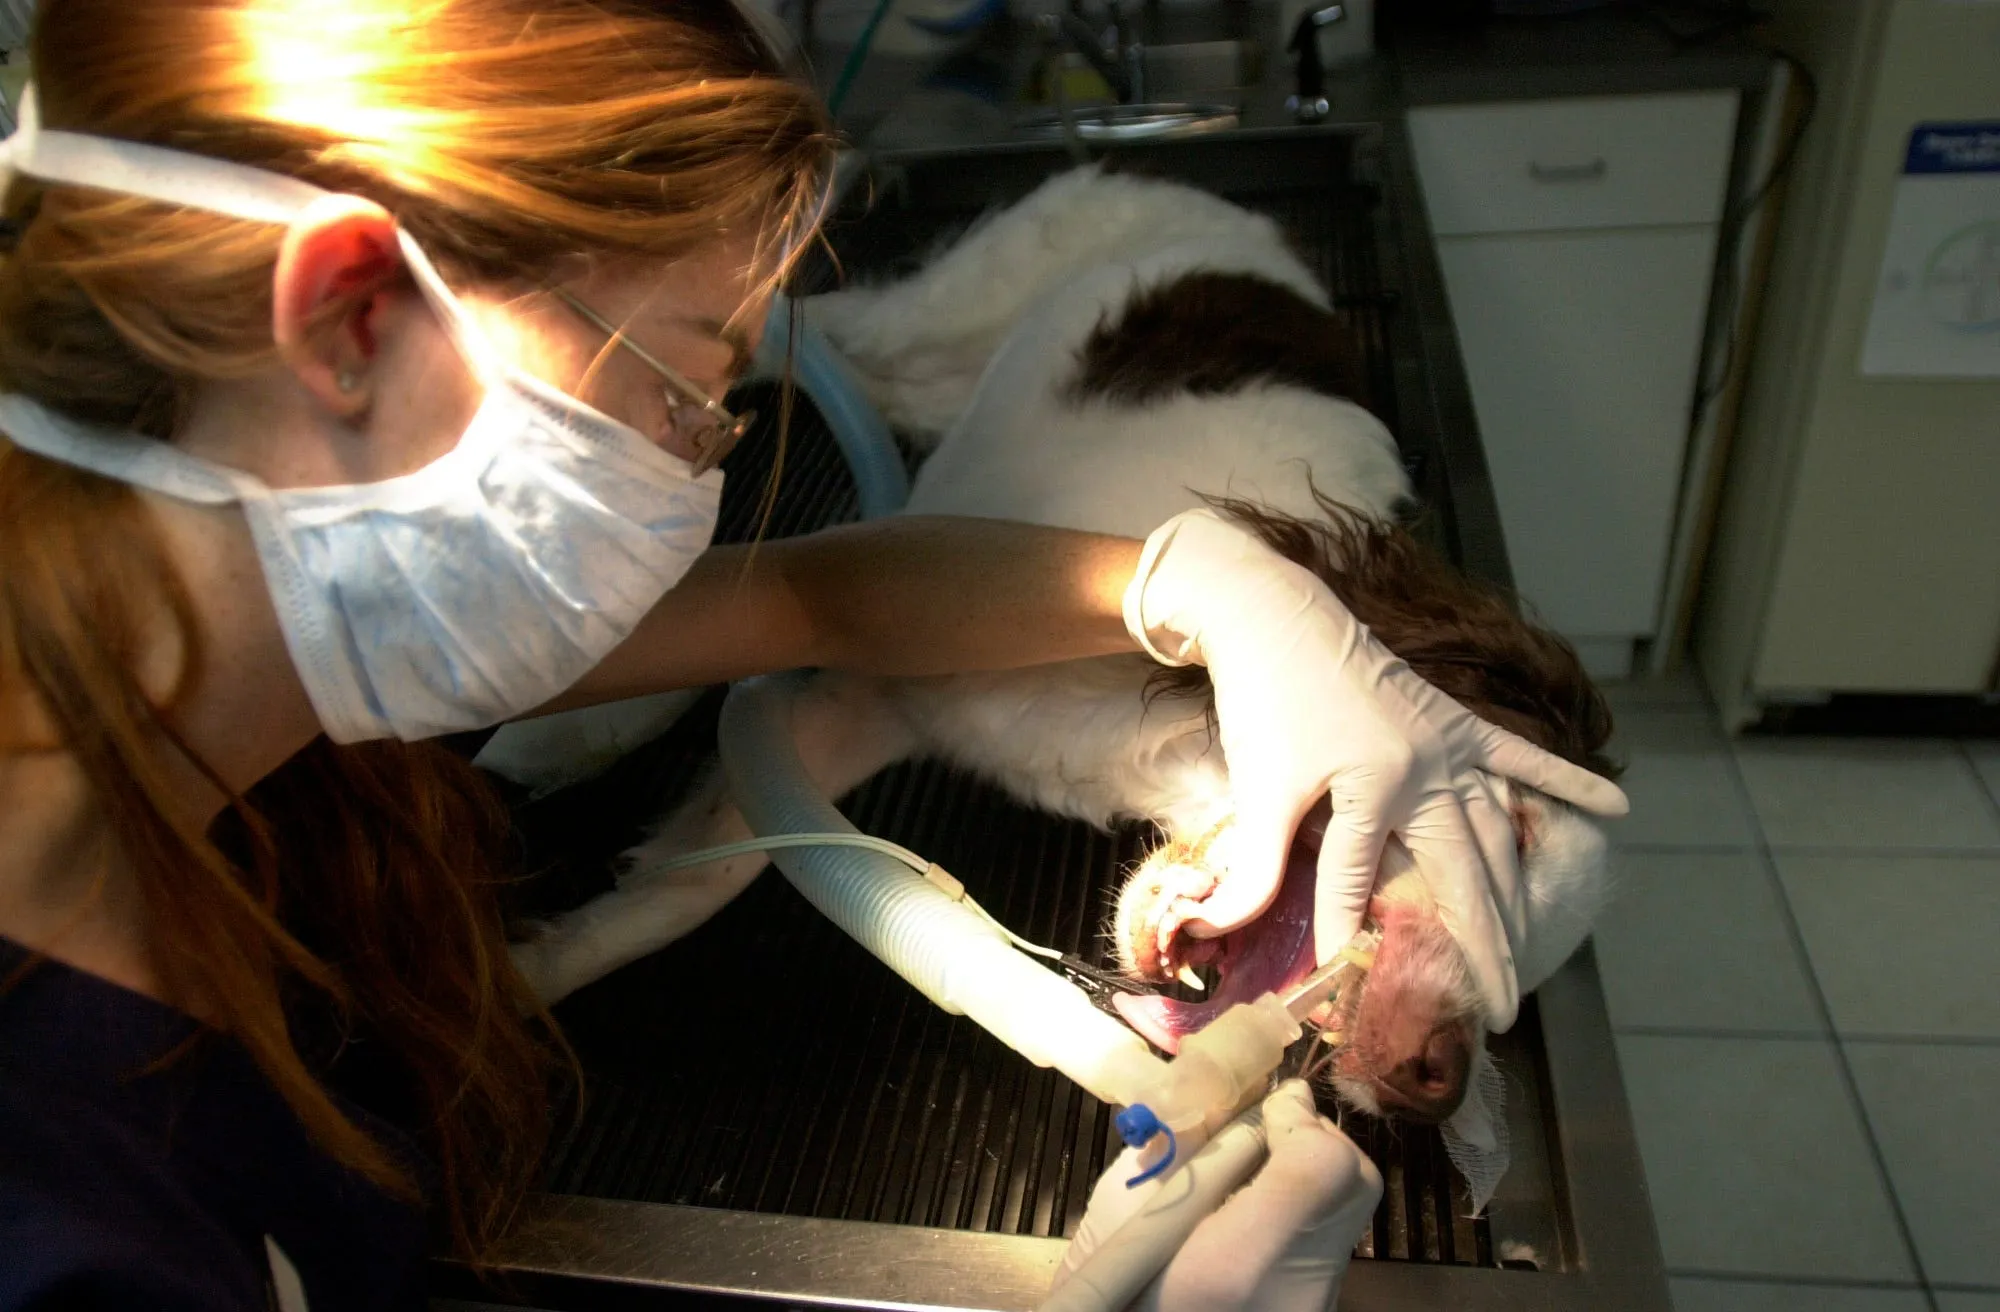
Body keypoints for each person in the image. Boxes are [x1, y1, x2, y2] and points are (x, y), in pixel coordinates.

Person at [0, 1, 1627, 1308]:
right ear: (352, 318)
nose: (697, 473)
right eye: (682, 390)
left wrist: (1195, 582)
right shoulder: (59, 1202)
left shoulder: (254, 655)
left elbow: (810, 606)